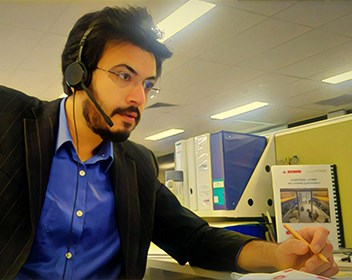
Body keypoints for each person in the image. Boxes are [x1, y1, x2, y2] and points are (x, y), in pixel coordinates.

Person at [0, 6, 339, 280]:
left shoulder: (138, 166)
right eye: (124, 75)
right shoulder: (9, 119)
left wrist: (278, 254)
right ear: (78, 74)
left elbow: (195, 239)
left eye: (148, 84)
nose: (139, 97)